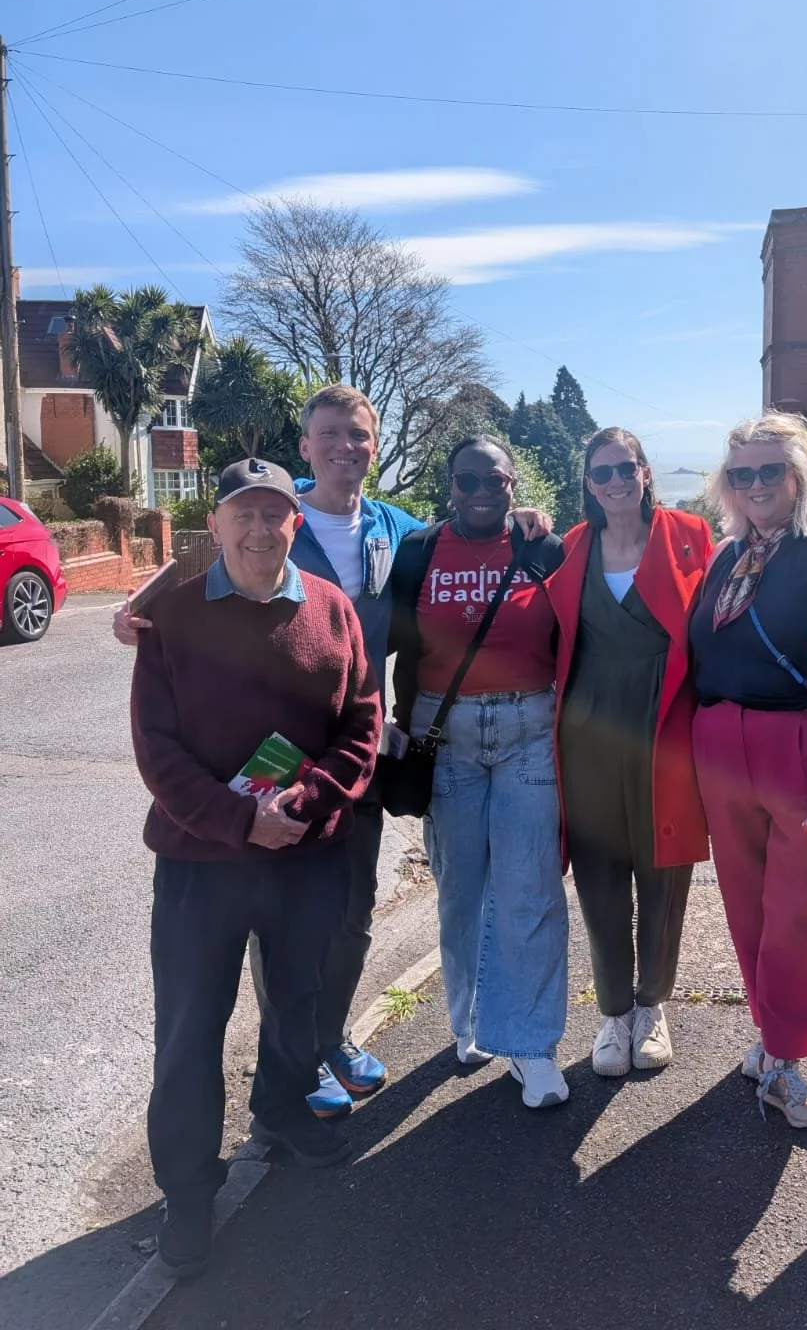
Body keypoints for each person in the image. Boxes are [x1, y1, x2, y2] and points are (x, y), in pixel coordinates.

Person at [116, 384, 550, 1120]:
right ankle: (296, 1057)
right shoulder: (275, 515)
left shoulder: (395, 529)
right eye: (330, 435)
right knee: (272, 915)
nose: (346, 447)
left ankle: (331, 1035)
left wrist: (523, 519)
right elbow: (197, 592)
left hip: (358, 748)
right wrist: (133, 618)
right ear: (306, 446)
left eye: (358, 436)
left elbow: (464, 533)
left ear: (373, 447)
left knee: (347, 910)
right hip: (262, 768)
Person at [130, 457, 381, 1277]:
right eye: (243, 512)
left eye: (275, 513)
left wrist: (300, 806)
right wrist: (242, 820)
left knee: (299, 1003)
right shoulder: (169, 614)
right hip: (201, 863)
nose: (259, 527)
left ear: (295, 524)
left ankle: (280, 1112)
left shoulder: (332, 610)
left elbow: (362, 723)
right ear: (217, 524)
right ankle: (189, 1192)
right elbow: (156, 750)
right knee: (190, 1028)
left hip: (304, 857)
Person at [689, 413, 807, 1127]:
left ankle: (786, 1058)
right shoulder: (726, 554)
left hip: (803, 747)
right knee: (748, 904)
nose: (759, 484)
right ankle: (770, 1040)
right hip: (719, 742)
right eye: (744, 474)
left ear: (803, 475)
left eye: (773, 470)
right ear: (728, 485)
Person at [388, 436, 570, 1109]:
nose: (483, 490)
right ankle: (468, 1023)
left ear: (513, 483)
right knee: (461, 891)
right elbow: (381, 637)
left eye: (496, 477)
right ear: (451, 486)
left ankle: (532, 1046)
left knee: (531, 890)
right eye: (468, 479)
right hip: (447, 734)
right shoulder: (418, 550)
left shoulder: (542, 550)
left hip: (528, 732)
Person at [548, 428, 712, 1077]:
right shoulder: (572, 546)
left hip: (665, 719)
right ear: (588, 484)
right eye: (601, 473)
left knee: (664, 869)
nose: (614, 481)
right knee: (599, 873)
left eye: (625, 468)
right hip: (588, 727)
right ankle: (613, 1013)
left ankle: (653, 1006)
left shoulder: (690, 536)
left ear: (645, 473)